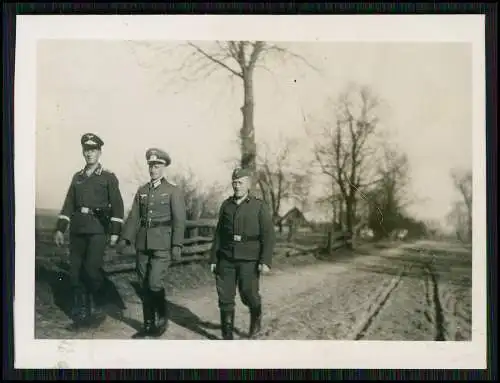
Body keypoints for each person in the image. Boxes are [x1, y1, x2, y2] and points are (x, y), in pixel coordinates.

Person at [53, 133, 125, 330]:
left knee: (91, 270)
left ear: (99, 152)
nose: (90, 154)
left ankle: (102, 303)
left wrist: (115, 232)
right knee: (75, 273)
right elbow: (68, 204)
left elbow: (118, 206)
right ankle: (83, 316)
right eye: (86, 150)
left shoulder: (108, 177)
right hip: (77, 230)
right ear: (83, 152)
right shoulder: (77, 177)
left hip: (97, 230)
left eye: (93, 150)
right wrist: (60, 229)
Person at [120, 148, 186, 339]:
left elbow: (179, 220)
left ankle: (162, 318)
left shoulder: (172, 191)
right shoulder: (142, 191)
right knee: (143, 284)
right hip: (143, 243)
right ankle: (148, 325)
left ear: (164, 167)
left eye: (157, 165)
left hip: (163, 244)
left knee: (154, 282)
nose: (153, 169)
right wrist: (126, 238)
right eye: (151, 165)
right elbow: (134, 216)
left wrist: (177, 245)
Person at [209, 167, 275, 340]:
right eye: (234, 182)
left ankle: (256, 315)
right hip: (226, 258)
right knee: (225, 296)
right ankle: (227, 337)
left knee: (248, 293)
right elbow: (219, 234)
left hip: (249, 258)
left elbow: (268, 235)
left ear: (248, 185)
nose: (237, 186)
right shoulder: (226, 205)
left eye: (240, 183)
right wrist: (213, 258)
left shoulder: (259, 206)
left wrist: (265, 260)